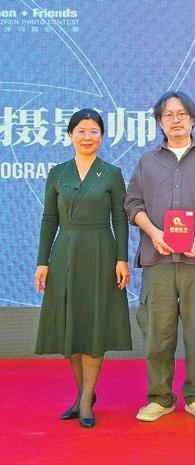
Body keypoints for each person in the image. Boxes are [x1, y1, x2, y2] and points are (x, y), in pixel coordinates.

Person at [125, 91, 195, 422]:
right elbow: (133, 204)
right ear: (159, 122)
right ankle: (160, 397)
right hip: (157, 259)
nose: (175, 120)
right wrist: (153, 232)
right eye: (168, 115)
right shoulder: (147, 161)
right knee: (157, 334)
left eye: (182, 114)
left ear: (193, 119)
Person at [34, 109, 132, 428]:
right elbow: (49, 219)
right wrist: (42, 261)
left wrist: (121, 258)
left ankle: (87, 399)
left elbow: (120, 219)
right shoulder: (57, 173)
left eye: (93, 131)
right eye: (81, 131)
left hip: (101, 251)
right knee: (72, 326)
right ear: (70, 135)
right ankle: (83, 393)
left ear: (102, 136)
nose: (87, 137)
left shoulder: (112, 174)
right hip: (65, 252)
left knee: (94, 324)